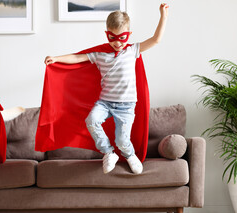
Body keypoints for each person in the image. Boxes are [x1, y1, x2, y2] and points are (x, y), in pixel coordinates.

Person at [44, 4, 169, 174]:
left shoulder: (133, 51)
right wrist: (56, 58)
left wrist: (163, 16)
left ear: (129, 35)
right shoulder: (100, 54)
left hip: (126, 106)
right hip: (105, 103)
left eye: (122, 37)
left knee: (122, 140)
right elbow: (77, 57)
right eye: (112, 37)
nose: (117, 42)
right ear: (107, 34)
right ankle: (109, 153)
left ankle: (130, 155)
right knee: (91, 120)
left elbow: (156, 39)